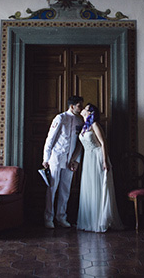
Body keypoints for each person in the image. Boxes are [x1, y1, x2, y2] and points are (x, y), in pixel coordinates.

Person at [76, 103, 124, 232]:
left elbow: (103, 143)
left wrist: (104, 161)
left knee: (99, 187)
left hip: (97, 157)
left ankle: (101, 220)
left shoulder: (95, 125)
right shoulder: (84, 128)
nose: (82, 110)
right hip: (88, 159)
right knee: (90, 188)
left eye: (85, 109)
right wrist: (74, 160)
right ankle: (90, 221)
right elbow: (82, 146)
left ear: (90, 113)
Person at [42, 95, 84, 229]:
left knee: (65, 189)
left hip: (70, 160)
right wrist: (46, 158)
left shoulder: (79, 121)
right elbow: (50, 139)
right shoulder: (60, 118)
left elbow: (80, 143)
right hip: (56, 157)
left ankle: (61, 217)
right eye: (79, 105)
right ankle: (48, 218)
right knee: (52, 188)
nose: (81, 108)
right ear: (72, 106)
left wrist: (76, 161)